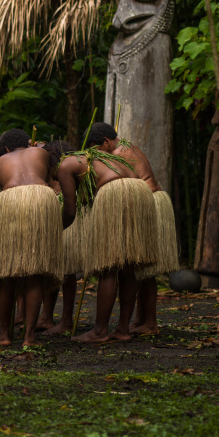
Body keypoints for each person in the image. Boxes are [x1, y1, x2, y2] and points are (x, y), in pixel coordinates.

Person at [48, 132, 158, 344]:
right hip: (139, 192)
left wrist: (54, 231)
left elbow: (70, 212)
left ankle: (100, 331)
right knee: (128, 265)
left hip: (116, 192)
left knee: (108, 266)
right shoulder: (95, 158)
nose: (52, 178)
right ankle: (123, 329)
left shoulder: (65, 166)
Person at [87, 122, 179, 335]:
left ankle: (149, 323)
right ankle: (143, 320)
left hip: (149, 203)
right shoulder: (127, 147)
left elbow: (124, 186)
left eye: (96, 150)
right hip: (153, 200)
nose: (96, 155)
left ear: (106, 142)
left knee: (145, 270)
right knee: (144, 272)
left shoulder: (119, 152)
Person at [0, 129, 64, 348]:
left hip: (10, 199)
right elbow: (54, 177)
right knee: (35, 272)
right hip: (41, 198)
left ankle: (4, 335)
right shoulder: (41, 154)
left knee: (7, 273)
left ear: (7, 149)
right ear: (28, 144)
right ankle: (29, 337)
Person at [36, 140, 82, 336]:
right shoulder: (46, 172)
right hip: (51, 218)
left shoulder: (68, 171)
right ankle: (46, 317)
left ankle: (65, 320)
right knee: (50, 269)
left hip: (67, 222)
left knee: (68, 271)